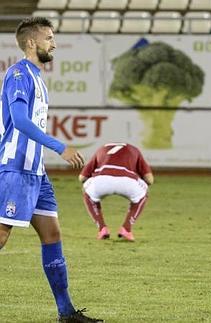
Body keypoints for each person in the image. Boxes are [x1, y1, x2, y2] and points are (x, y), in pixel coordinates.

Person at [0, 17, 102, 322]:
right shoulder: (19, 74)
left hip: (36, 172)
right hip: (16, 169)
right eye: (48, 38)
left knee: (52, 234)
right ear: (32, 42)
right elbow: (19, 120)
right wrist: (61, 147)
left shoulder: (36, 76)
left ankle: (66, 312)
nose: (53, 43)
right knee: (2, 235)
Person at [79, 143, 154, 242]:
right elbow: (150, 180)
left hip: (101, 179)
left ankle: (102, 229)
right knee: (143, 194)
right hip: (127, 180)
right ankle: (126, 229)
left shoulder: (101, 148)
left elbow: (82, 178)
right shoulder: (134, 149)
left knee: (87, 192)